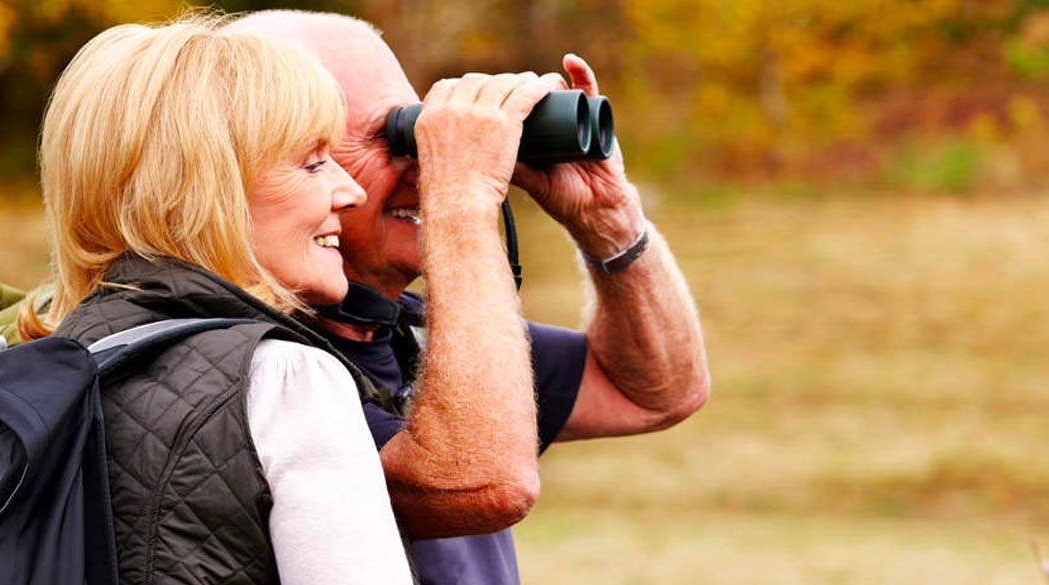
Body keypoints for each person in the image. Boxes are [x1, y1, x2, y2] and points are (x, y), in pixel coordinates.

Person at [227, 10, 712, 585]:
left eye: (418, 128)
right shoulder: (260, 370)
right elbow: (480, 482)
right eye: (389, 140)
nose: (426, 162)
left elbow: (654, 391)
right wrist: (462, 195)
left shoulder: (413, 332)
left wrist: (607, 217)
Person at [16, 15, 420, 585]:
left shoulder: (44, 366)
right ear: (207, 189)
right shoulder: (287, 380)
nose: (348, 192)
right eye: (311, 163)